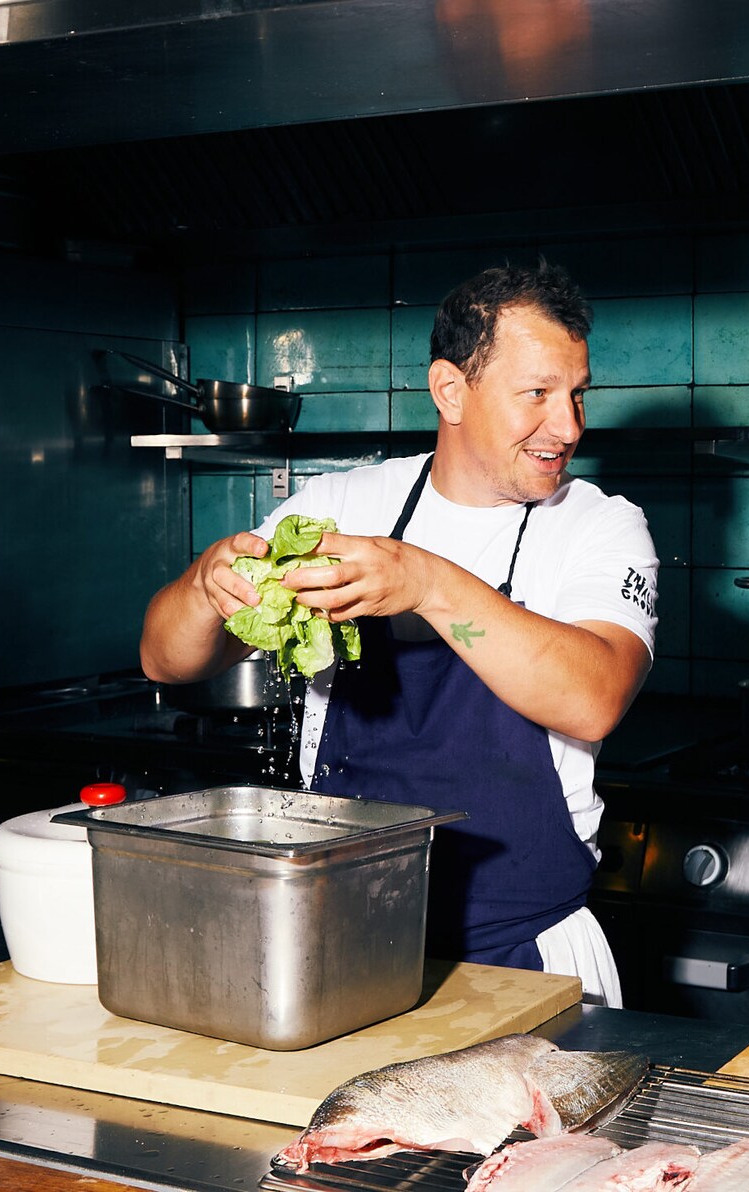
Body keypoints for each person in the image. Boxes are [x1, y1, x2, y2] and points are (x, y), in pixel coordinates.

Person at [139, 261, 657, 1005]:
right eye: (537, 395)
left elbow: (594, 696)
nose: (568, 426)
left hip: (525, 956)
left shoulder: (599, 525)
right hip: (346, 939)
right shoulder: (345, 503)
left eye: (576, 395)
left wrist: (426, 582)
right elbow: (164, 660)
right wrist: (205, 585)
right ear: (451, 390)